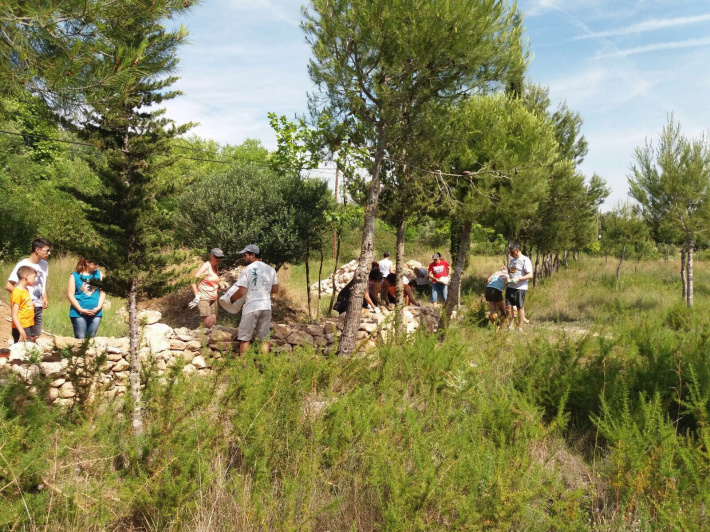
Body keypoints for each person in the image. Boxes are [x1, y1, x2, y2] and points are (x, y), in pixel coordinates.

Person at [230, 244, 278, 355]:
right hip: (266, 307)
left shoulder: (247, 270)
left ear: (253, 255)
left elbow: (241, 291)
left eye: (245, 255)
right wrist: (262, 290)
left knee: (244, 337)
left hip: (251, 307)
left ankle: (244, 368)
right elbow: (275, 289)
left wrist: (232, 299)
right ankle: (264, 366)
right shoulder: (270, 269)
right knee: (264, 338)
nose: (243, 258)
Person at [6, 238, 51, 340]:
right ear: (37, 250)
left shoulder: (44, 264)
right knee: (24, 337)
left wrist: (45, 296)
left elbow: (42, 282)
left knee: (35, 336)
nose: (49, 253)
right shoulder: (23, 265)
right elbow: (8, 285)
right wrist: (24, 299)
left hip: (38, 305)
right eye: (47, 250)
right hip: (25, 308)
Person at [67, 258, 106, 339]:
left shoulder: (99, 274)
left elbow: (103, 292)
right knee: (81, 337)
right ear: (87, 262)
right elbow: (70, 295)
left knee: (91, 338)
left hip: (96, 313)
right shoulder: (74, 275)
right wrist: (81, 310)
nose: (97, 265)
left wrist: (98, 307)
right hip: (78, 313)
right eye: (95, 263)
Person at [189, 248, 224, 329]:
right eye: (217, 257)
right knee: (208, 324)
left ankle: (205, 339)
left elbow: (210, 281)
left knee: (213, 324)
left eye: (220, 258)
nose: (219, 259)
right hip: (204, 298)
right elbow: (193, 280)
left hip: (213, 299)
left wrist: (219, 286)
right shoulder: (206, 266)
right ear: (211, 256)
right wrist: (196, 296)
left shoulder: (215, 267)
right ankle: (196, 336)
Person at [506, 244, 533, 332]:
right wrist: (506, 270)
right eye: (510, 253)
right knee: (509, 307)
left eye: (512, 252)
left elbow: (530, 275)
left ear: (517, 250)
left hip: (520, 288)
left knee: (519, 307)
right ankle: (510, 326)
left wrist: (519, 279)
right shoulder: (512, 260)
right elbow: (510, 270)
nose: (511, 254)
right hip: (510, 286)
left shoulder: (525, 260)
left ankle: (520, 328)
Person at [10, 266, 37, 343]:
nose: (35, 280)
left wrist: (30, 304)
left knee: (27, 347)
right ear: (26, 276)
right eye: (34, 277)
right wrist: (21, 330)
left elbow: (23, 303)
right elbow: (14, 315)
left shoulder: (25, 290)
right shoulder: (17, 292)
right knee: (22, 349)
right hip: (21, 327)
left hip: (28, 325)